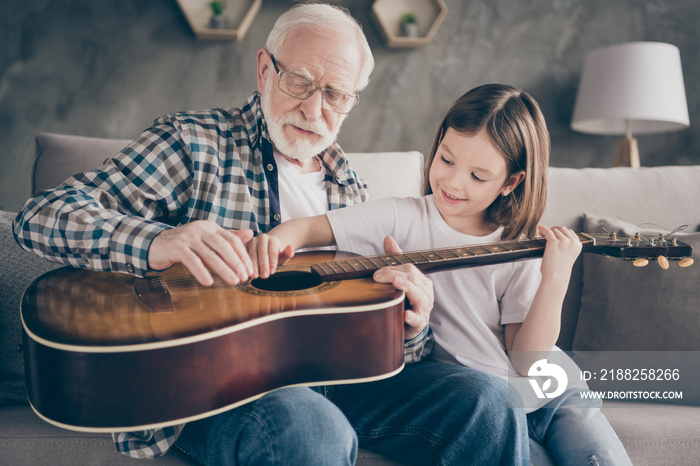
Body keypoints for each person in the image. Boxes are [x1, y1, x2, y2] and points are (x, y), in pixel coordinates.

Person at [13, 4, 529, 466]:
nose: (313, 108)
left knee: (489, 401)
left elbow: (367, 345)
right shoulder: (193, 143)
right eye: (300, 82)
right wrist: (156, 243)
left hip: (331, 382)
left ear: (352, 100)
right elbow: (42, 214)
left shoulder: (350, 186)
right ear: (264, 69)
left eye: (334, 93)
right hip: (208, 382)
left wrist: (411, 327)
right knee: (307, 425)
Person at [248, 83, 633, 465]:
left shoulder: (519, 244)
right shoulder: (402, 216)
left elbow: (528, 360)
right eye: (447, 160)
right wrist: (273, 243)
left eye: (478, 176)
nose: (453, 182)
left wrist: (556, 277)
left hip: (553, 396)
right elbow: (310, 228)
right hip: (486, 403)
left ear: (511, 182)